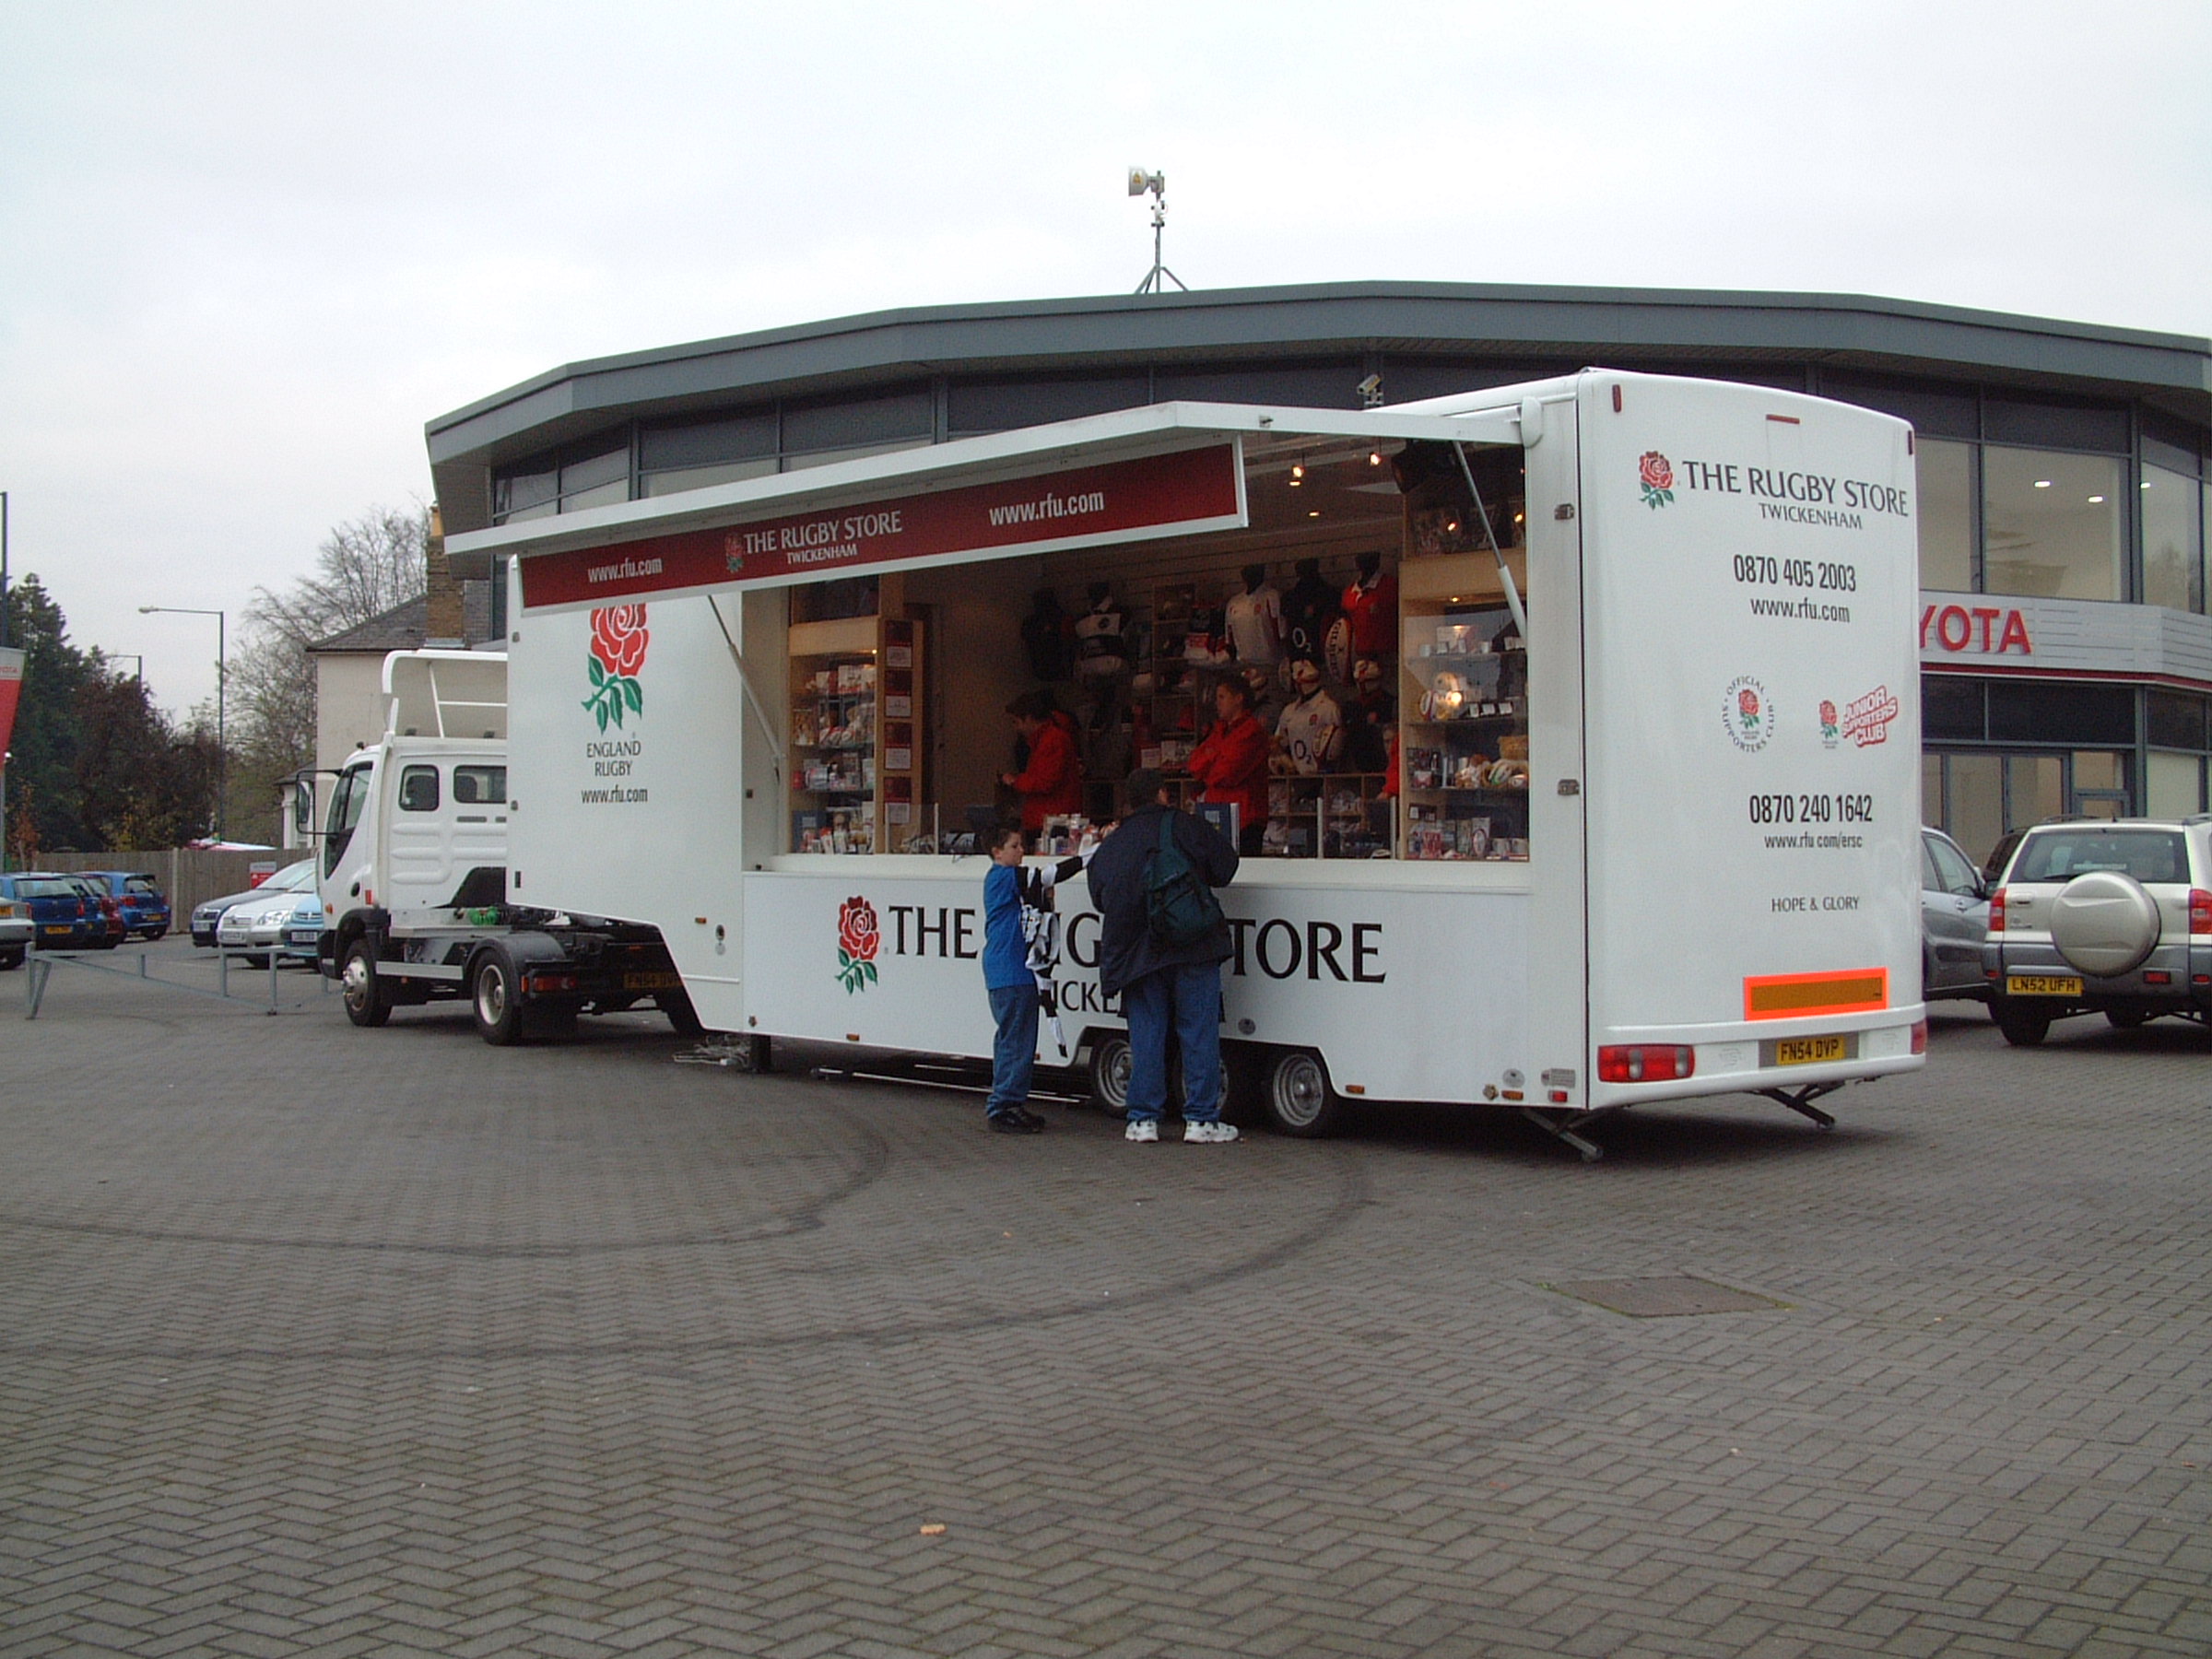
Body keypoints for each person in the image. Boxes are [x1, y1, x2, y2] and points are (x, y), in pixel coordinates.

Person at [1083, 769, 1241, 1145]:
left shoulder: (1114, 844)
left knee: (1146, 1034)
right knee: (1198, 1031)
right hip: (1192, 944)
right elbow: (1226, 868)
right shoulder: (1186, 827)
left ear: (1128, 802)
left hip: (1139, 955)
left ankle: (1143, 1120)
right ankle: (1201, 1119)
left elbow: (1100, 897)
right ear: (1163, 795)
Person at [979, 828, 1090, 1134]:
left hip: (1016, 971)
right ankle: (1004, 1105)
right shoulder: (1001, 877)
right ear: (996, 851)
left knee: (1017, 1038)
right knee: (1016, 1040)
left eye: (1021, 845)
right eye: (1014, 846)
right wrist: (1088, 858)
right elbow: (1048, 875)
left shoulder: (1009, 882)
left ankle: (1011, 1101)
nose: (1020, 851)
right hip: (1010, 970)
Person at [1185, 676, 1271, 855]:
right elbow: (1193, 765)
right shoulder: (1220, 730)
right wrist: (1215, 759)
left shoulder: (1252, 731)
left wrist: (1210, 760)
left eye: (1222, 697)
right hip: (1217, 816)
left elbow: (1227, 773)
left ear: (1238, 698)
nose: (1217, 703)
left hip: (1245, 820)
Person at [1000, 690, 1083, 833]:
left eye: (1016, 722)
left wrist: (1016, 781)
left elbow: (1045, 782)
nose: (1016, 728)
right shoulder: (1045, 740)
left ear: (1030, 718)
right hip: (1048, 818)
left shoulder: (1052, 741)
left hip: (1051, 820)